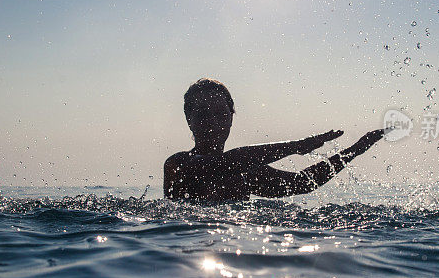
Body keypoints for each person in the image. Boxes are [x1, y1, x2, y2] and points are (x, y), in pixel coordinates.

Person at [164, 78, 388, 202]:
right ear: (188, 118)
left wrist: (355, 150)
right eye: (202, 114)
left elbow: (302, 183)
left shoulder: (246, 171)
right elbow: (227, 163)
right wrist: (295, 147)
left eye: (220, 114)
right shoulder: (178, 165)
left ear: (231, 117)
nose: (212, 122)